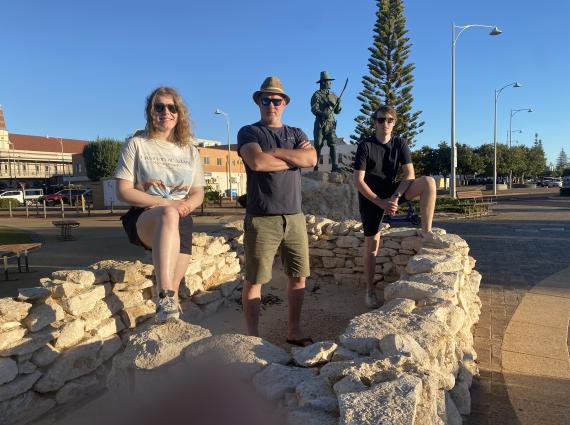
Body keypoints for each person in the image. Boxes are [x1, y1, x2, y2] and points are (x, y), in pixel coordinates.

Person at [237, 76, 317, 346]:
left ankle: (293, 331)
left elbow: (311, 159)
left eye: (276, 100)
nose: (271, 104)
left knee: (298, 277)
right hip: (261, 218)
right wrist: (293, 159)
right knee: (255, 280)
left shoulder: (296, 133)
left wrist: (278, 153)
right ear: (259, 102)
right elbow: (257, 162)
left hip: (294, 217)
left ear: (284, 103)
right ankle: (253, 339)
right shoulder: (249, 132)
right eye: (266, 99)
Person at [115, 87, 205, 322]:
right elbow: (123, 191)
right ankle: (163, 294)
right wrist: (166, 203)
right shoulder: (137, 144)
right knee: (168, 213)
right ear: (150, 111)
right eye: (159, 106)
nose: (166, 112)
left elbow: (197, 192)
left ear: (179, 112)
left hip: (179, 219)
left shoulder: (190, 151)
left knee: (178, 219)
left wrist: (186, 206)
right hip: (145, 218)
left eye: (172, 107)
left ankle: (170, 304)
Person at [353, 105, 441, 308]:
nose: (385, 123)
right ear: (374, 122)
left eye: (389, 120)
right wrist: (380, 202)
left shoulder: (400, 144)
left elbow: (409, 174)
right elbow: (358, 181)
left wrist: (394, 197)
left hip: (392, 192)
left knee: (428, 182)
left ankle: (426, 231)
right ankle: (370, 290)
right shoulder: (365, 146)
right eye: (381, 120)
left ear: (394, 123)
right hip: (370, 197)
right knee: (371, 246)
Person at [311, 71, 342, 172]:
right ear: (323, 82)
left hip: (331, 124)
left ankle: (334, 166)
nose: (330, 83)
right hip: (320, 123)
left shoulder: (333, 95)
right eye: (329, 81)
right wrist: (324, 114)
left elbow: (337, 111)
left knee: (333, 144)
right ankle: (316, 166)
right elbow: (314, 109)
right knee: (318, 145)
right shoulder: (316, 95)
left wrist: (338, 104)